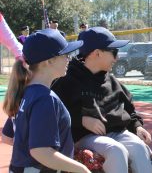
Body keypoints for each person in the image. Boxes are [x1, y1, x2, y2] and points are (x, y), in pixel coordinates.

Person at [51, 27, 152, 173]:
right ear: (97, 53)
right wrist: (81, 119)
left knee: (139, 148)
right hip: (85, 136)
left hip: (116, 133)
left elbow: (129, 110)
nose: (116, 58)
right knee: (116, 151)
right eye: (114, 52)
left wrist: (137, 126)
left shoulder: (111, 81)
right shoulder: (67, 80)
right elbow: (53, 113)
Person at [2, 29, 90, 172]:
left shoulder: (26, 93)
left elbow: (7, 137)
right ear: (49, 61)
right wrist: (81, 169)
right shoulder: (45, 98)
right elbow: (40, 151)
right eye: (65, 54)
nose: (69, 59)